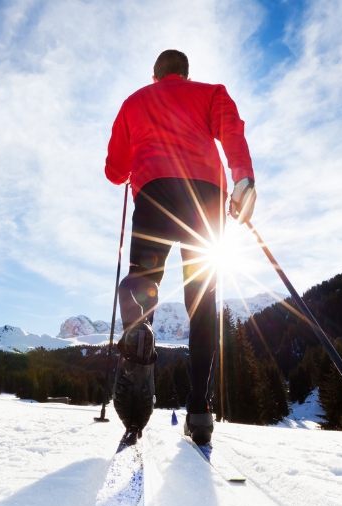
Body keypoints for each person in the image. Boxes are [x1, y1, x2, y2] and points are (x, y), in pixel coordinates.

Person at [104, 49, 256, 444]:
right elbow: (232, 133)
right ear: (186, 75)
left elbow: (114, 171)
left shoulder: (134, 102)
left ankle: (140, 329)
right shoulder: (211, 93)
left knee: (144, 279)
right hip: (204, 196)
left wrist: (127, 172)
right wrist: (243, 179)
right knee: (202, 301)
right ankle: (201, 411)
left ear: (155, 77)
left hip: (154, 191)